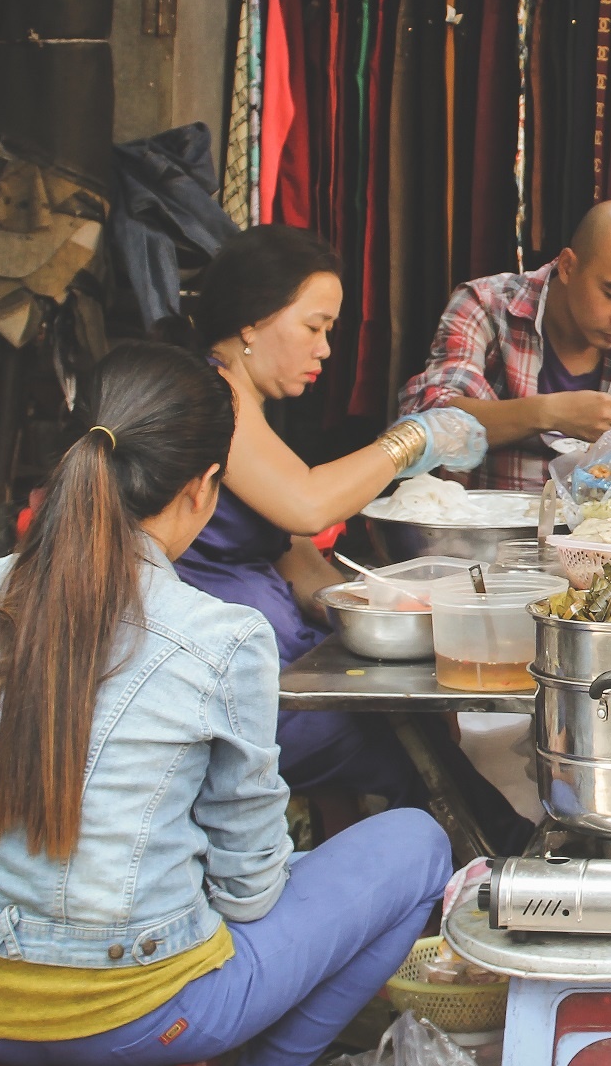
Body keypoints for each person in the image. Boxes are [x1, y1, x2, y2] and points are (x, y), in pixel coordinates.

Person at [0, 343, 453, 1066]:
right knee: (419, 845)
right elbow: (251, 888)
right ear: (202, 490)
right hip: (144, 1018)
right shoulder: (219, 637)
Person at [156, 226, 488, 805]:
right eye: (314, 327)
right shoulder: (212, 394)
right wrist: (410, 441)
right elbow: (307, 506)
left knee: (422, 730)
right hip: (221, 679)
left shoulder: (247, 406)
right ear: (252, 321)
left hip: (261, 651)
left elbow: (288, 550)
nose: (325, 350)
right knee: (405, 745)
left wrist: (371, 604)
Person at [401, 199, 611, 492]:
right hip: (488, 528)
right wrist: (548, 413)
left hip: (606, 533)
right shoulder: (485, 306)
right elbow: (427, 422)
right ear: (567, 267)